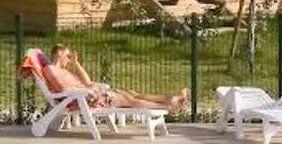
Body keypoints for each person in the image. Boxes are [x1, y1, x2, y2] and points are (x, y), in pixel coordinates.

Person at [40, 44, 185, 112]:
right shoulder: (51, 70)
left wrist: (76, 64)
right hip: (84, 99)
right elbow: (62, 88)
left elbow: (87, 81)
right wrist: (89, 91)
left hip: (88, 94)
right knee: (128, 100)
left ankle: (170, 98)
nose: (69, 59)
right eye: (68, 56)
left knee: (131, 93)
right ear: (59, 55)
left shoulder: (64, 70)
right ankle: (168, 106)